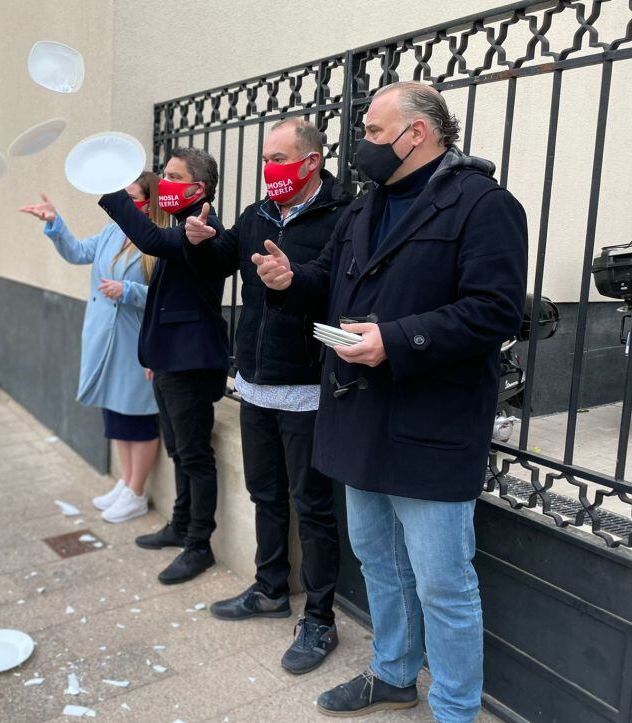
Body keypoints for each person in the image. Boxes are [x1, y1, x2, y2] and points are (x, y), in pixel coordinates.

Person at [254, 82, 527, 720]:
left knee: (443, 583)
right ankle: (395, 674)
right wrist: (290, 281)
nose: (363, 145)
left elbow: (496, 311)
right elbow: (328, 281)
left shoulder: (483, 205)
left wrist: (396, 341)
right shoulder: (364, 207)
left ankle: (455, 709)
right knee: (379, 559)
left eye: (375, 132)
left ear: (418, 133)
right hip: (357, 412)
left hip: (430, 423)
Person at [182, 118, 349, 674]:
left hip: (305, 385)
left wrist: (293, 276)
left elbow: (336, 284)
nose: (269, 169)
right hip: (254, 382)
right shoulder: (257, 215)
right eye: (264, 159)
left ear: (311, 162)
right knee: (265, 494)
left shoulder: (341, 214)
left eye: (279, 158)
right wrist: (200, 241)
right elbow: (222, 258)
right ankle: (270, 588)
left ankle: (320, 619)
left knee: (313, 507)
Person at [98, 148, 229, 585]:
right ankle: (179, 524)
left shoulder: (203, 228)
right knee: (177, 449)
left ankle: (199, 545)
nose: (165, 184)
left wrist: (110, 191)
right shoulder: (179, 226)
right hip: (168, 360)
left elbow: (152, 241)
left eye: (174, 176)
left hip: (191, 364)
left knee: (194, 455)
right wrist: (153, 355)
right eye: (165, 175)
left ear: (200, 188)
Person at [19, 172, 167, 524]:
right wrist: (55, 222)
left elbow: (168, 299)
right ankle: (125, 482)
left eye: (133, 198)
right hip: (105, 339)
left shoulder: (159, 242)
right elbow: (77, 252)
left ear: (150, 201)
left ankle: (136, 491)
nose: (126, 204)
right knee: (115, 413)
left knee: (139, 418)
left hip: (136, 343)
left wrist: (128, 292)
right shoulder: (112, 232)